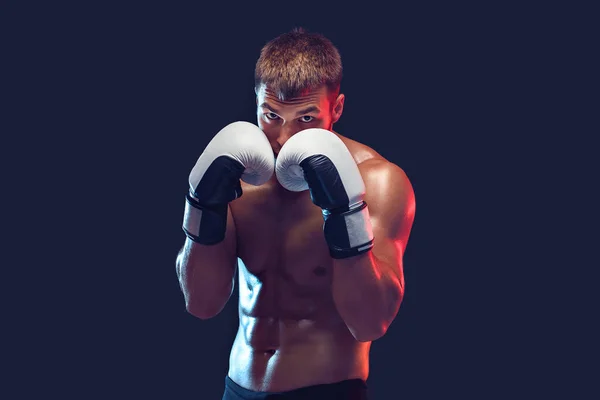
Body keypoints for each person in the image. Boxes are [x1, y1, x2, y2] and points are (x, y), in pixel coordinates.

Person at [176, 27, 416, 400]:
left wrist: (344, 209)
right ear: (256, 103)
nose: (284, 138)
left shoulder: (379, 182)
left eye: (305, 119)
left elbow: (371, 322)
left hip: (327, 391)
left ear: (335, 108)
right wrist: (202, 204)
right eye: (271, 115)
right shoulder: (236, 173)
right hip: (236, 389)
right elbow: (201, 304)